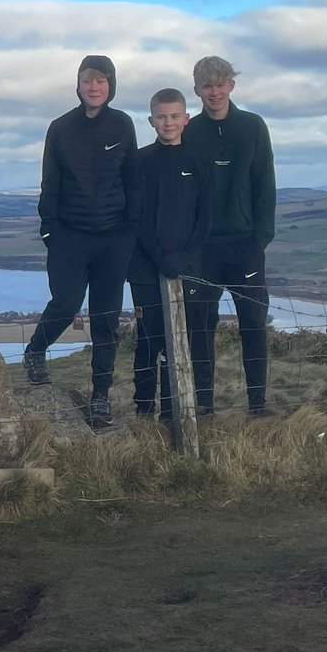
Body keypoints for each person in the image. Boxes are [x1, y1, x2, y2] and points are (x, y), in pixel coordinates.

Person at [22, 55, 140, 429]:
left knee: (106, 319)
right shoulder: (60, 128)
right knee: (66, 303)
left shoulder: (122, 124)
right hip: (69, 236)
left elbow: (132, 180)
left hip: (113, 238)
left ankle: (100, 396)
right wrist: (50, 231)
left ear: (110, 85)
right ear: (78, 85)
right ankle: (35, 351)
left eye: (101, 80)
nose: (94, 87)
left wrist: (129, 232)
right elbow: (50, 183)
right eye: (87, 80)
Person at [182, 55, 276, 416]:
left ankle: (258, 406)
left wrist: (260, 238)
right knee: (200, 328)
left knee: (253, 323)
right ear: (197, 90)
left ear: (231, 85)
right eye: (207, 86)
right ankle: (204, 407)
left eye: (220, 84)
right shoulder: (190, 131)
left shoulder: (253, 126)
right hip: (203, 249)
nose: (214, 92)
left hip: (245, 245)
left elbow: (265, 183)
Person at [127, 89, 211, 422]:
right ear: (151, 121)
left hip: (189, 266)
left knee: (185, 339)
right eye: (161, 117)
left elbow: (205, 217)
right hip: (145, 266)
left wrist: (185, 256)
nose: (168, 122)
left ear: (186, 119)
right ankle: (144, 410)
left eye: (175, 116)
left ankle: (178, 411)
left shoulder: (199, 162)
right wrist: (161, 257)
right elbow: (137, 215)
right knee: (149, 340)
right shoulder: (139, 161)